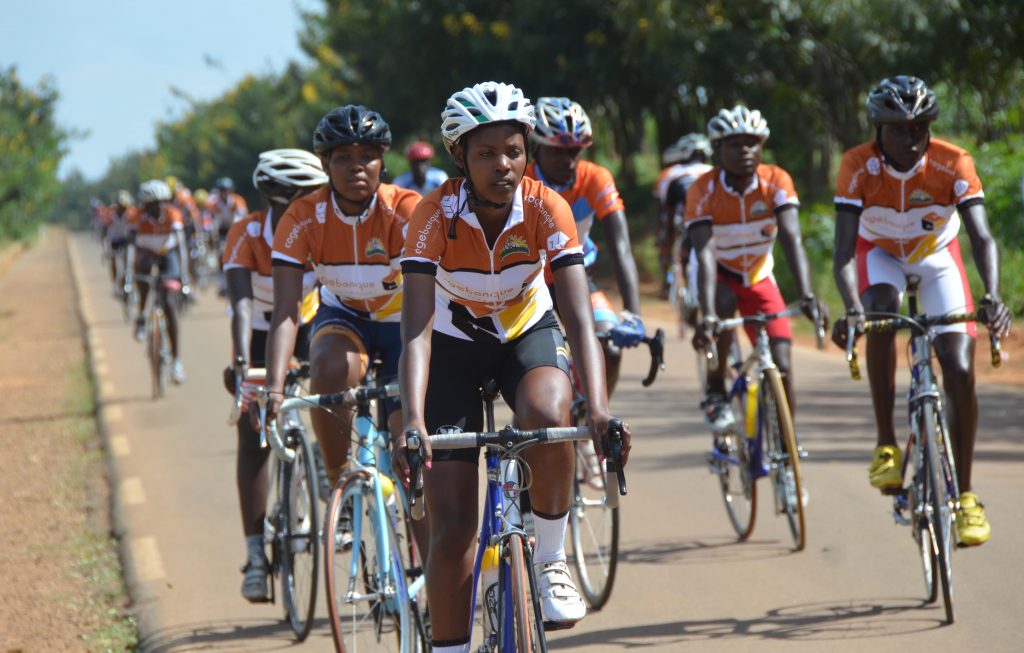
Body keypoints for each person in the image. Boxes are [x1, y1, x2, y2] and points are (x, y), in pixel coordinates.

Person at [393, 81, 629, 653]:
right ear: (459, 159)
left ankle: (549, 558)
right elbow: (418, 329)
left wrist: (597, 410)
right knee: (452, 531)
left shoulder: (548, 207)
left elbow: (577, 316)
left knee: (549, 410)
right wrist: (414, 418)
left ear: (528, 152)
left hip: (526, 331)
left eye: (514, 150)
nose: (503, 164)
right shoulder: (432, 215)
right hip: (450, 344)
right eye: (485, 153)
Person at [830, 76, 1012, 546]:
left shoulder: (954, 163)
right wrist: (852, 309)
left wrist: (992, 295)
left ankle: (967, 496)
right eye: (898, 131)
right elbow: (846, 252)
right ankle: (887, 443)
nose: (910, 141)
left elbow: (982, 237)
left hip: (936, 257)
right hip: (880, 256)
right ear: (878, 130)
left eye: (919, 129)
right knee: (882, 312)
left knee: (959, 365)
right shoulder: (857, 166)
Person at [263, 105, 421, 509]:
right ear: (325, 164)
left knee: (411, 451)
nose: (357, 167)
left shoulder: (405, 209)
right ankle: (340, 488)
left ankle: (424, 547)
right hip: (346, 317)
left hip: (406, 324)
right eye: (343, 158)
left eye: (367, 156)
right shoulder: (302, 217)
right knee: (330, 369)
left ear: (382, 161)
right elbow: (285, 310)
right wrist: (275, 388)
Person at [222, 148, 327, 602]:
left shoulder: (326, 228)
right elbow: (242, 306)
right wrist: (244, 366)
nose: (299, 211)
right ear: (270, 201)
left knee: (338, 385)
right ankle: (256, 554)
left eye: (308, 198)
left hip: (313, 323)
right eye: (288, 203)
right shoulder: (245, 233)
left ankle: (328, 465)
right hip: (263, 332)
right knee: (253, 435)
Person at [687, 105, 826, 432]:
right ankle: (717, 386)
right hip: (718, 274)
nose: (745, 151)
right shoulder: (702, 189)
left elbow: (792, 239)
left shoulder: (776, 180)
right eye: (735, 144)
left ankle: (787, 452)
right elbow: (705, 254)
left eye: (752, 143)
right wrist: (706, 313)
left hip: (759, 276)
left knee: (783, 366)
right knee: (720, 306)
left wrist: (806, 294)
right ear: (718, 149)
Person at [525, 96, 645, 397]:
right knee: (536, 367)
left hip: (576, 278)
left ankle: (591, 415)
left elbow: (621, 246)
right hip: (529, 285)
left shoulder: (594, 177)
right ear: (536, 148)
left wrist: (632, 312)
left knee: (612, 350)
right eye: (559, 152)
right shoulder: (520, 181)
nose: (569, 161)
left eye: (575, 152)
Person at [129, 179, 190, 384]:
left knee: (170, 303)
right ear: (144, 205)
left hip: (168, 253)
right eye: (151, 204)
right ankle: (141, 316)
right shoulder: (137, 217)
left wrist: (184, 276)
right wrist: (130, 274)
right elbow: (131, 248)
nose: (157, 207)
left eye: (160, 202)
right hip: (145, 253)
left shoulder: (173, 215)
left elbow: (181, 246)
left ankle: (176, 362)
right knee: (143, 275)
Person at [655, 134, 714, 307]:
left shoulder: (671, 175)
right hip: (715, 226)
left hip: (687, 224)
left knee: (674, 246)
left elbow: (667, 210)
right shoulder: (716, 172)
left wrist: (667, 237)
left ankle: (670, 280)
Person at [105, 190, 138, 295]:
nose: (121, 209)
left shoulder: (132, 214)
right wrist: (108, 248)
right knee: (114, 260)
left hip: (127, 240)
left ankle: (129, 281)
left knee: (130, 261)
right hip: (115, 240)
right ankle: (115, 284)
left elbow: (135, 230)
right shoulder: (111, 214)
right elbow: (108, 231)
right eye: (120, 206)